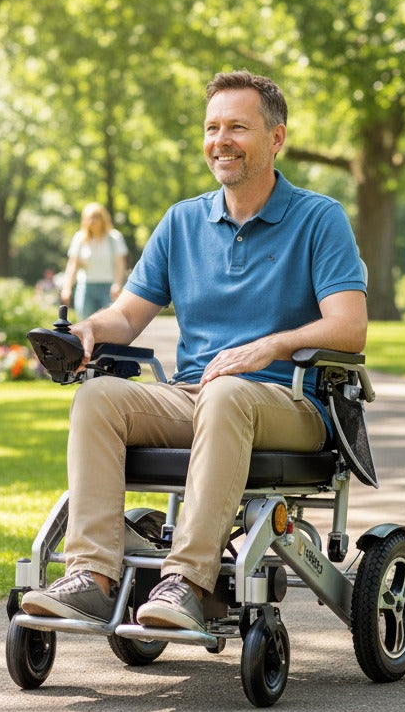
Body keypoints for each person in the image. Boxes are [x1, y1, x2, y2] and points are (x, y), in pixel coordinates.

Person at [21, 70, 367, 633]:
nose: (220, 140)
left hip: (293, 402)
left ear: (276, 138)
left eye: (237, 127)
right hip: (198, 396)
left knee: (228, 393)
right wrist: (87, 330)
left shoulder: (319, 218)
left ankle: (188, 583)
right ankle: (92, 579)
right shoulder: (182, 221)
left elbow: (349, 328)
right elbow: (127, 316)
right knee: (99, 398)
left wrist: (269, 346)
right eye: (212, 128)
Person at [60, 202, 128, 319]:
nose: (93, 221)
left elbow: (120, 264)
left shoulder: (114, 238)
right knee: (85, 322)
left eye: (96, 217)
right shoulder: (80, 238)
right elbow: (73, 265)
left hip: (108, 287)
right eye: (89, 218)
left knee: (108, 323)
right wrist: (67, 288)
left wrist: (117, 284)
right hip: (86, 287)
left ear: (103, 219)